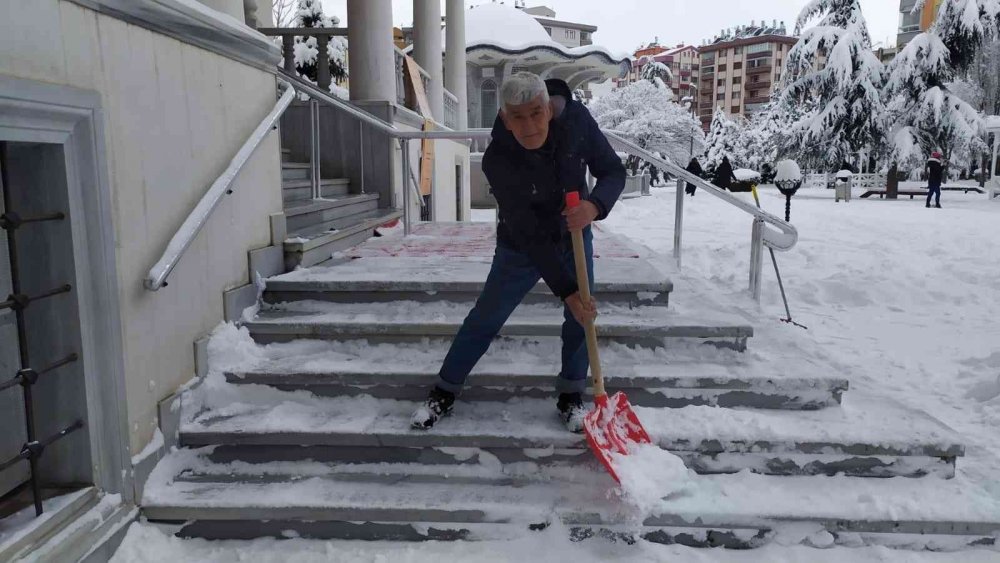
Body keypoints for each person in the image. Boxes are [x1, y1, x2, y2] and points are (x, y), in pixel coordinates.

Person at [410, 72, 626, 433]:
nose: (529, 125)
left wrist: (594, 207)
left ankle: (571, 396)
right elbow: (527, 231)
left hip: (574, 231)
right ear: (506, 120)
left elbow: (612, 171)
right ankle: (444, 390)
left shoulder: (576, 122)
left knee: (581, 317)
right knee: (487, 317)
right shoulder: (498, 158)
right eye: (518, 117)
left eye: (536, 113)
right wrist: (567, 291)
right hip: (521, 245)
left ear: (549, 110)